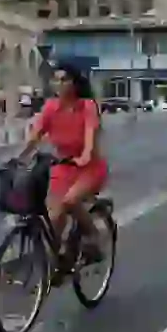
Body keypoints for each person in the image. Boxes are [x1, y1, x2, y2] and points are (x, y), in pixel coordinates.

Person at [16, 63, 108, 263]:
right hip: (63, 167)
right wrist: (19, 156)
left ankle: (93, 236)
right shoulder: (51, 107)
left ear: (74, 83)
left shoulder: (87, 106)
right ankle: (58, 262)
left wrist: (85, 155)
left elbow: (90, 136)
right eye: (55, 79)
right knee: (54, 217)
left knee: (70, 201)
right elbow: (35, 136)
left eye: (64, 79)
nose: (58, 83)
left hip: (88, 168)